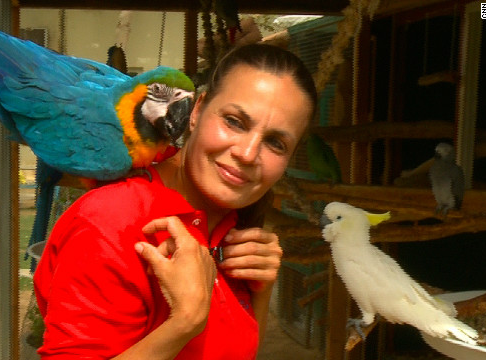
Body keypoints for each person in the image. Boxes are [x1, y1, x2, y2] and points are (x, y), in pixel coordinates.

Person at [33, 43, 317, 359]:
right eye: (234, 121)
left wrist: (260, 292)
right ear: (196, 111)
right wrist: (183, 323)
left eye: (275, 143)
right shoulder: (111, 221)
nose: (247, 154)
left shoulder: (229, 222)